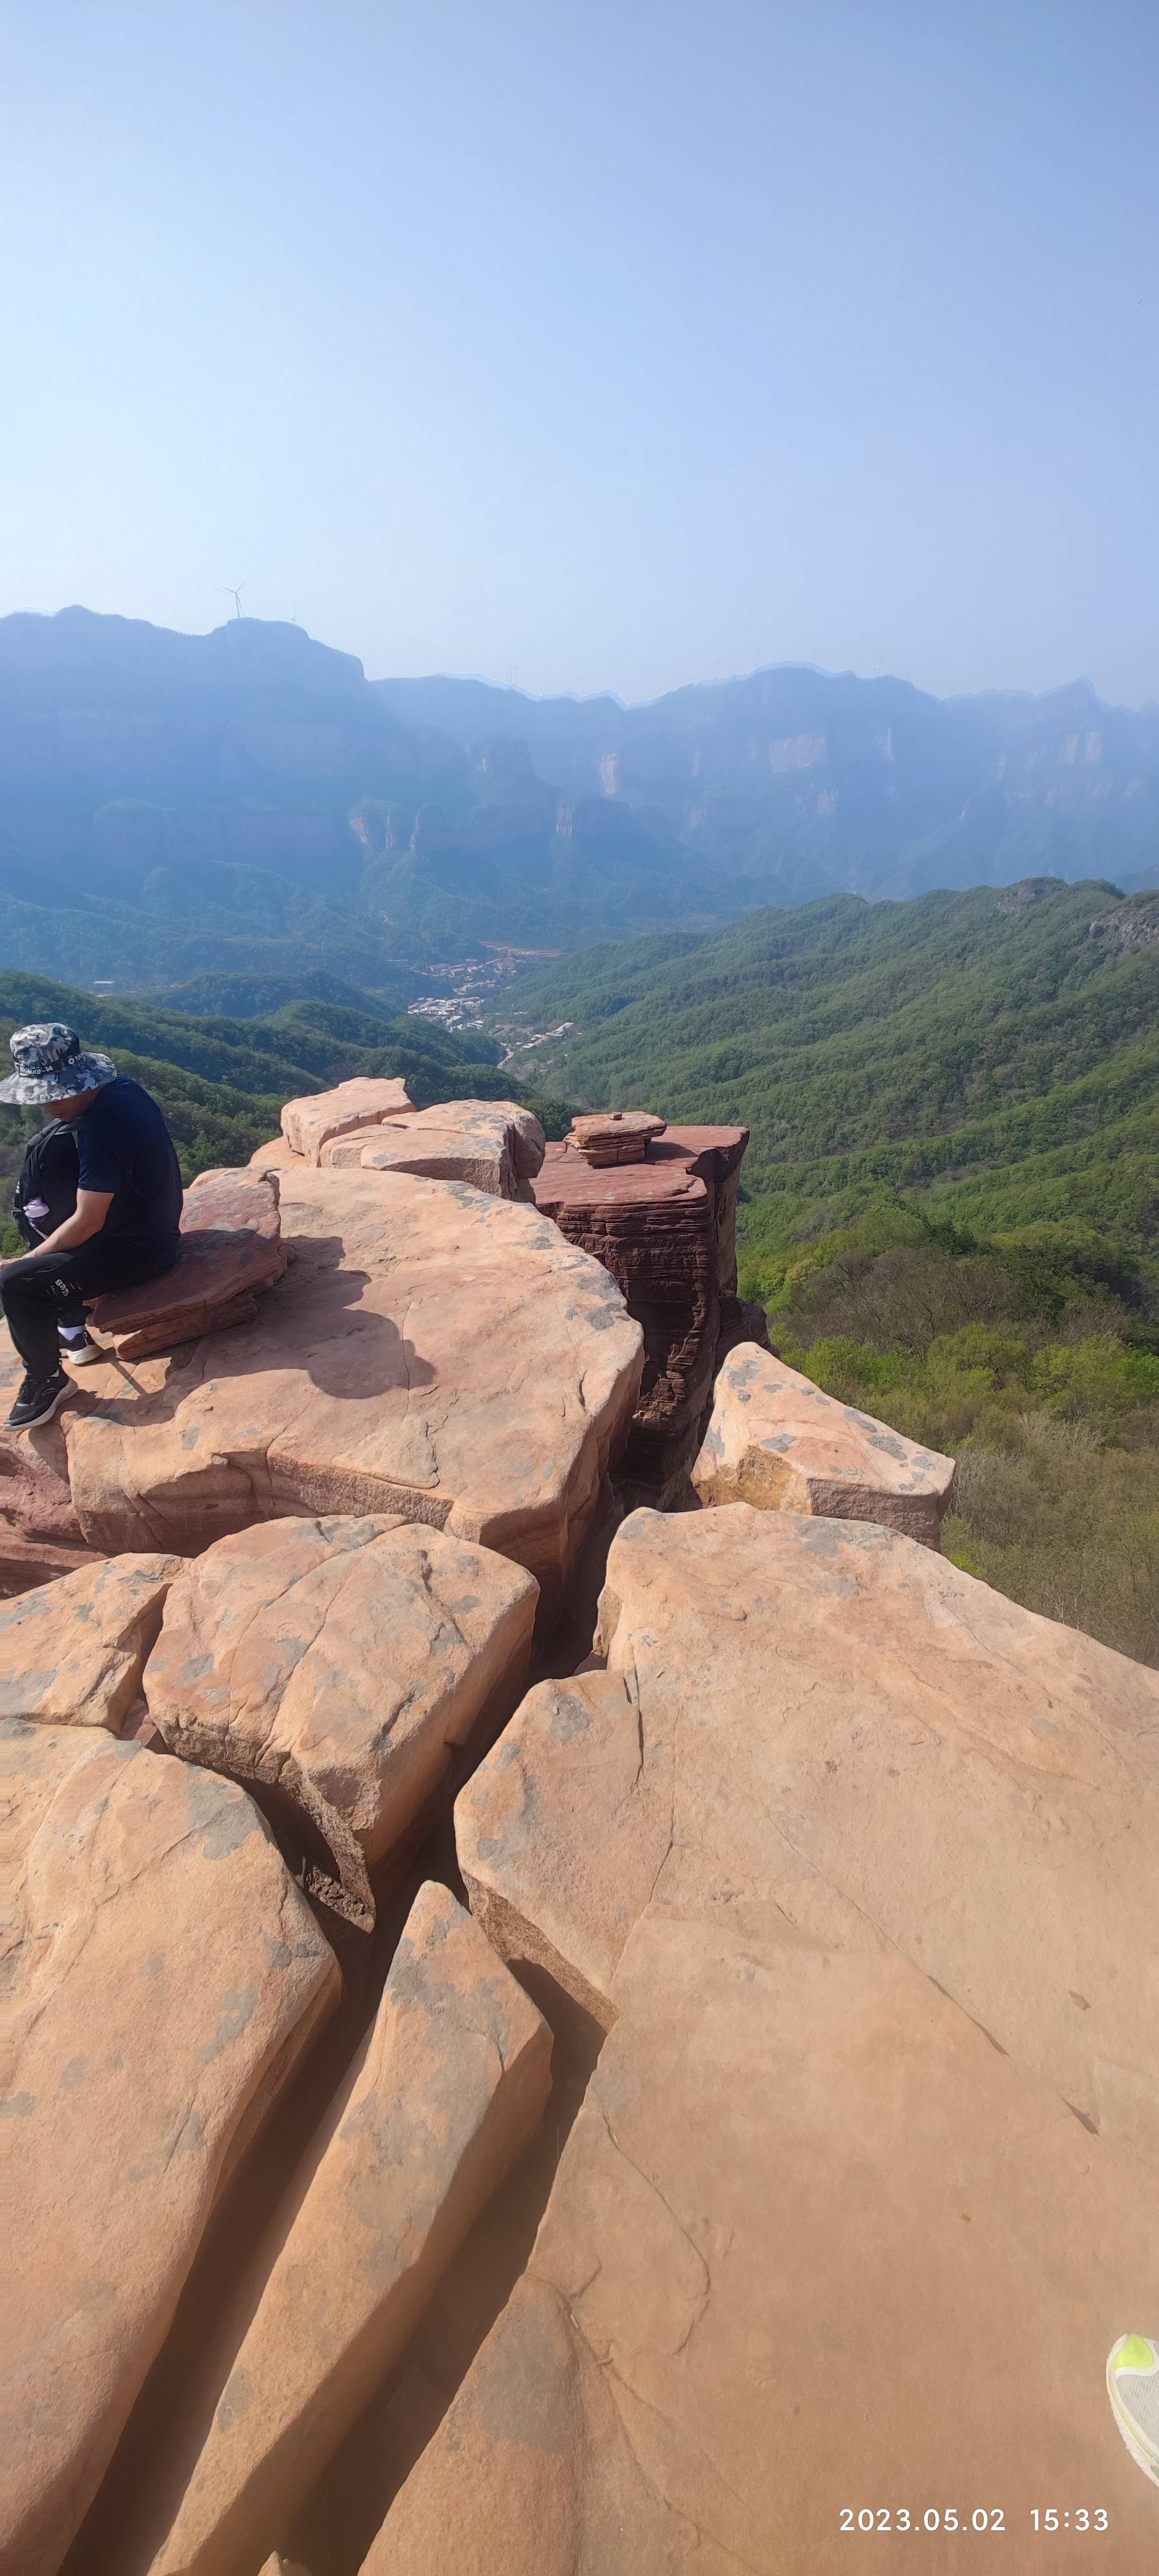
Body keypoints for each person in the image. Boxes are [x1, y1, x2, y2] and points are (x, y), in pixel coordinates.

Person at [0, 1021, 183, 1430]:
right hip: (155, 1223)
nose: (50, 1105)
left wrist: (26, 1261)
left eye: (57, 1092)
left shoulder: (98, 1133)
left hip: (140, 1252)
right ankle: (69, 1327)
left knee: (16, 1284)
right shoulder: (124, 1090)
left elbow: (87, 1222)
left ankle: (47, 1379)